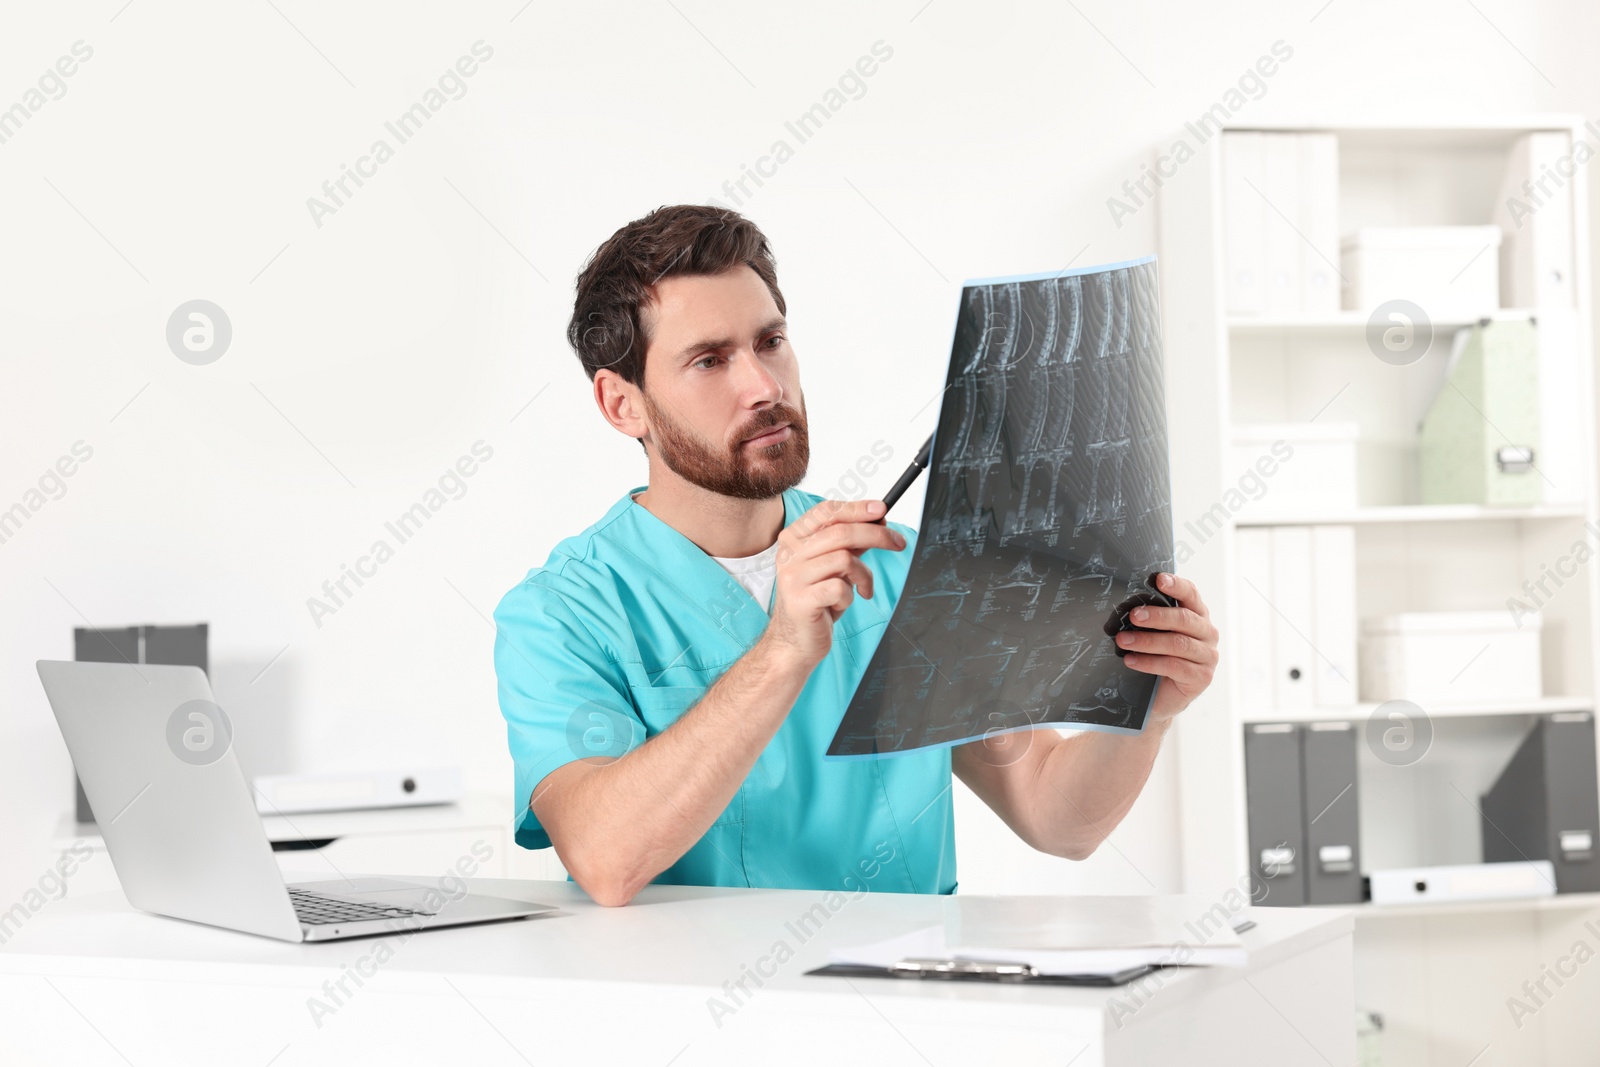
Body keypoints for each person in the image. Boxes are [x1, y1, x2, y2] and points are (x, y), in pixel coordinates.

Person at [493, 204, 1219, 907]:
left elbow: (1054, 815)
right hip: (702, 1013)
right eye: (710, 360)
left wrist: (1150, 706)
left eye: (770, 341)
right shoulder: (561, 614)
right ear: (623, 404)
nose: (764, 387)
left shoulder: (903, 569)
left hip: (912, 998)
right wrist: (782, 650)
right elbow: (605, 859)